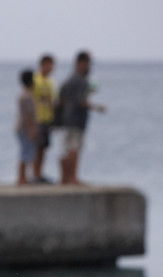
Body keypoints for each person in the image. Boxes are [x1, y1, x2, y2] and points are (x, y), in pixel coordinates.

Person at [57, 51, 106, 186]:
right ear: (81, 63)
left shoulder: (69, 79)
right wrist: (97, 107)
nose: (89, 67)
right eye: (87, 63)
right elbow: (80, 101)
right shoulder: (80, 80)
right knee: (74, 148)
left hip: (66, 119)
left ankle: (64, 178)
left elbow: (61, 99)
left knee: (66, 149)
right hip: (76, 119)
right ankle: (72, 177)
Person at [30, 54, 56, 183]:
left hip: (47, 119)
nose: (51, 68)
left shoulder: (50, 82)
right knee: (36, 147)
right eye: (49, 64)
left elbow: (52, 101)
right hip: (37, 118)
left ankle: (39, 174)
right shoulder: (35, 80)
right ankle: (34, 174)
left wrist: (53, 120)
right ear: (43, 65)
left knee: (44, 147)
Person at [14, 69, 39, 186]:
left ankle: (23, 177)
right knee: (26, 153)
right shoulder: (27, 96)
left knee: (25, 152)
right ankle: (22, 178)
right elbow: (29, 115)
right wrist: (32, 130)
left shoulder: (22, 95)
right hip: (25, 128)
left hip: (21, 127)